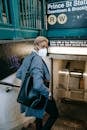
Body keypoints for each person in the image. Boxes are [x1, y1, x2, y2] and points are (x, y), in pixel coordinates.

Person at [16, 36, 59, 130]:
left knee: (38, 115)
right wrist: (48, 93)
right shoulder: (37, 60)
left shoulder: (28, 57)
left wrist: (30, 80)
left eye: (46, 47)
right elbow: (38, 85)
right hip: (41, 95)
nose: (45, 49)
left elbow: (19, 74)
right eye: (43, 46)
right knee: (55, 114)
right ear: (36, 46)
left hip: (33, 96)